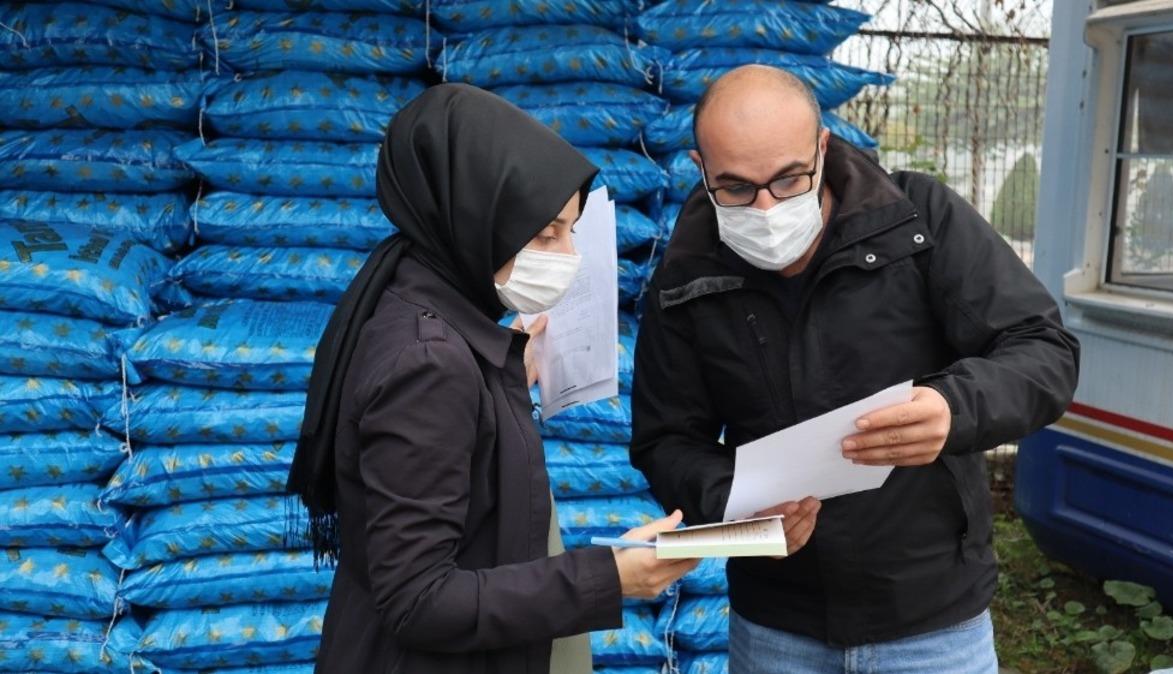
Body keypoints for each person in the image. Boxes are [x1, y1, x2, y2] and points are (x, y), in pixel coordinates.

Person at [630, 65, 1080, 673]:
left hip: (932, 622)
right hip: (776, 626)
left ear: (822, 146)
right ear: (699, 167)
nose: (766, 208)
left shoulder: (918, 224)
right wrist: (735, 502)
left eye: (789, 179)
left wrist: (954, 408)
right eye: (735, 188)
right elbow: (665, 439)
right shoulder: (687, 276)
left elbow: (1044, 350)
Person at [286, 83, 698, 674]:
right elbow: (420, 600)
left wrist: (499, 380)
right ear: (474, 218)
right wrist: (610, 576)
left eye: (571, 232)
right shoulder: (429, 362)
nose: (568, 256)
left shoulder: (435, 317)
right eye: (545, 234)